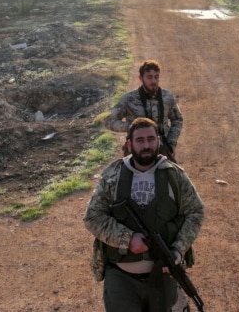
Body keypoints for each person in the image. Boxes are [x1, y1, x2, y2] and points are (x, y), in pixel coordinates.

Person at [85, 117, 205, 312]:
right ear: (130, 144)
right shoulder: (113, 176)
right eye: (140, 141)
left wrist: (178, 250)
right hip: (121, 278)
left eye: (151, 139)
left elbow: (196, 212)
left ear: (158, 141)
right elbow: (92, 217)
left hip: (163, 277)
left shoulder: (175, 176)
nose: (146, 145)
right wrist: (128, 239)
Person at [105, 60, 184, 162]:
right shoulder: (129, 99)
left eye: (156, 76)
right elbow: (109, 121)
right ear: (141, 78)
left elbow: (178, 120)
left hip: (163, 149)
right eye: (149, 77)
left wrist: (171, 142)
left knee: (173, 176)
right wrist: (131, 127)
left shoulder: (167, 97)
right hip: (136, 151)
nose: (153, 81)